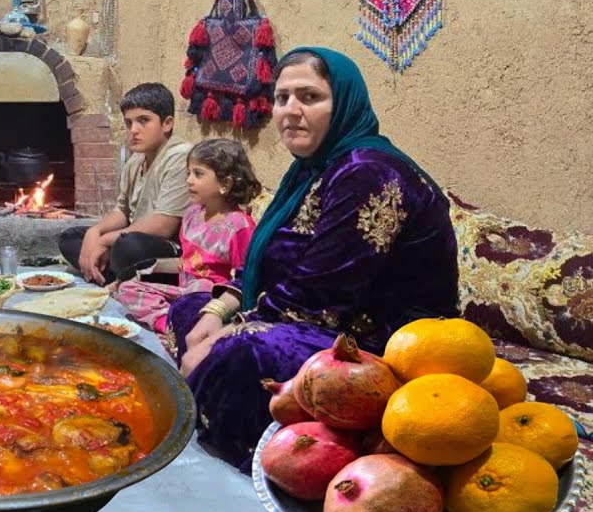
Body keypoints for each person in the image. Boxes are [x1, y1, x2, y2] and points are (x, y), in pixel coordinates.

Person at [168, 47, 458, 470]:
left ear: (342, 102)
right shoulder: (313, 168)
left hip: (386, 338)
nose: (290, 111)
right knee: (190, 309)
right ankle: (213, 393)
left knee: (242, 354)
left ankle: (268, 451)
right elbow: (271, 261)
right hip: (319, 314)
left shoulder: (367, 172)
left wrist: (225, 337)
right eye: (282, 97)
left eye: (309, 96)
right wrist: (221, 309)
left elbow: (321, 294)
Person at [115, 138, 260, 334]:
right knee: (127, 289)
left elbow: (245, 281)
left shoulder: (239, 226)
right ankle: (170, 323)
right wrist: (143, 271)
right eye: (188, 173)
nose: (189, 180)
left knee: (202, 285)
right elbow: (185, 261)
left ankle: (188, 323)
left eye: (198, 174)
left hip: (211, 301)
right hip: (184, 291)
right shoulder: (192, 214)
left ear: (225, 183)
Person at [59, 83, 192, 284]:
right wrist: (95, 233)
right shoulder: (136, 160)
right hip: (131, 237)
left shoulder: (180, 156)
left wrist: (104, 240)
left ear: (167, 123)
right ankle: (115, 272)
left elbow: (164, 226)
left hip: (167, 248)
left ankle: (110, 271)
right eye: (129, 123)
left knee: (129, 246)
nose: (134, 130)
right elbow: (122, 211)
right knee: (70, 237)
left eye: (143, 121)